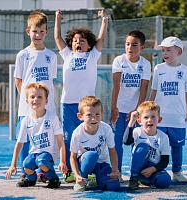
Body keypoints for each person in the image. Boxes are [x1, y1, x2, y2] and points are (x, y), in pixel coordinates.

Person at [54, 9, 109, 182]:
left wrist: (104, 20)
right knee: (69, 138)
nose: (78, 43)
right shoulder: (68, 54)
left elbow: (101, 39)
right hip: (68, 104)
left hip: (87, 107)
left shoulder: (92, 56)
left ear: (89, 45)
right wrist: (57, 19)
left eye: (82, 41)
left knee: (87, 137)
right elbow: (57, 38)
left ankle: (88, 169)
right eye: (75, 40)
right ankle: (70, 171)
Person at [14, 11, 58, 182]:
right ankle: (27, 173)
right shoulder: (23, 55)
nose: (38, 35)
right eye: (34, 31)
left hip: (47, 108)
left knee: (46, 140)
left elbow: (50, 81)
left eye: (41, 31)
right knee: (25, 140)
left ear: (46, 32)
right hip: (28, 108)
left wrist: (44, 104)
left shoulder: (51, 56)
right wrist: (28, 103)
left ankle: (43, 171)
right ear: (28, 32)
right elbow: (19, 80)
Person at [6, 83, 68, 188]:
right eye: (32, 97)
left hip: (49, 154)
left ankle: (53, 178)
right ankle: (31, 179)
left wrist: (62, 161)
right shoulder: (26, 120)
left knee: (42, 161)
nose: (36, 99)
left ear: (46, 100)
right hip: (35, 153)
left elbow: (60, 141)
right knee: (27, 164)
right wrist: (13, 165)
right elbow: (19, 143)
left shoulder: (52, 118)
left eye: (40, 97)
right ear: (27, 101)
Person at [149, 36, 187, 182]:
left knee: (176, 146)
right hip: (160, 117)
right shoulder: (158, 68)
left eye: (168, 50)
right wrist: (148, 108)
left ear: (179, 52)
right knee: (156, 145)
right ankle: (154, 171)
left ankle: (177, 172)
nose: (165, 53)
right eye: (163, 50)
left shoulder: (186, 71)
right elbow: (154, 90)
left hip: (178, 116)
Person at [110, 30, 151, 181]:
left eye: (134, 45)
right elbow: (116, 86)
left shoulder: (145, 64)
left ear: (142, 47)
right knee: (117, 143)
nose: (130, 48)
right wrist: (114, 108)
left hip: (135, 112)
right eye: (127, 44)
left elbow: (144, 89)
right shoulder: (119, 61)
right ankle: (117, 172)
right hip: (119, 110)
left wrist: (137, 110)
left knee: (137, 143)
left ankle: (136, 174)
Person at [70, 96, 120, 192]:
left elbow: (112, 151)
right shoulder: (77, 133)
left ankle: (95, 179)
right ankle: (83, 179)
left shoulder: (106, 129)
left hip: (102, 164)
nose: (94, 118)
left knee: (114, 186)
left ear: (102, 114)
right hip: (85, 163)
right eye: (89, 115)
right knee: (92, 155)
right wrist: (76, 175)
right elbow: (73, 157)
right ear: (80, 116)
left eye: (97, 114)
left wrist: (114, 170)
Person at [123, 101, 171, 190]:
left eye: (153, 117)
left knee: (165, 181)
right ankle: (134, 178)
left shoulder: (163, 137)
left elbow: (165, 160)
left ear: (159, 120)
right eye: (146, 117)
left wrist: (153, 169)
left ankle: (147, 180)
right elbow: (126, 142)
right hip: (139, 165)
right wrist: (131, 122)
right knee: (142, 147)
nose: (149, 120)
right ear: (139, 121)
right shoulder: (137, 131)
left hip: (153, 168)